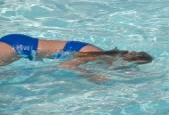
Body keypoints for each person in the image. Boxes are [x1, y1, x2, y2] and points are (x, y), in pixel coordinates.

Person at [0, 33, 153, 67]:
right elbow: (65, 65)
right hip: (19, 48)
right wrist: (90, 75)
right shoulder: (94, 54)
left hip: (21, 45)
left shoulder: (98, 52)